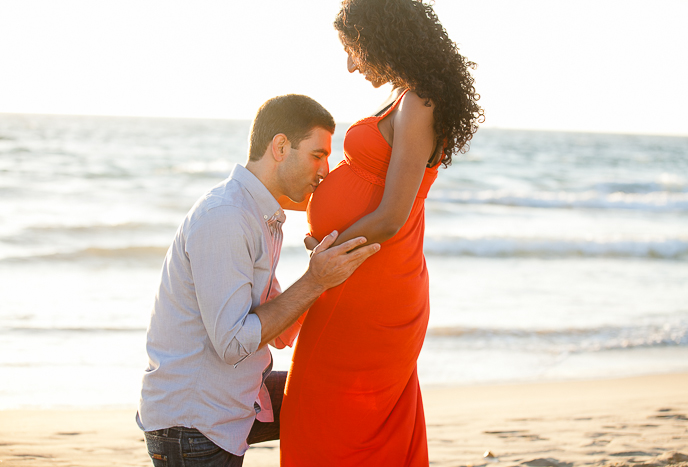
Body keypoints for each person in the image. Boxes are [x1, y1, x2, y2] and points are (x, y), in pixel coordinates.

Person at [280, 0, 484, 465]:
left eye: (353, 50)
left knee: (325, 409)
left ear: (380, 38)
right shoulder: (408, 99)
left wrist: (330, 247)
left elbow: (393, 213)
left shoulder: (420, 104)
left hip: (371, 280)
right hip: (355, 271)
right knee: (328, 410)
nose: (350, 65)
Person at [136, 94, 380, 467]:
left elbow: (279, 333)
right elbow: (233, 343)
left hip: (234, 397)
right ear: (280, 146)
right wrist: (315, 280)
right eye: (318, 155)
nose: (325, 171)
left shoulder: (261, 217)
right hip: (193, 425)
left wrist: (326, 274)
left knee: (344, 394)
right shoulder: (227, 217)